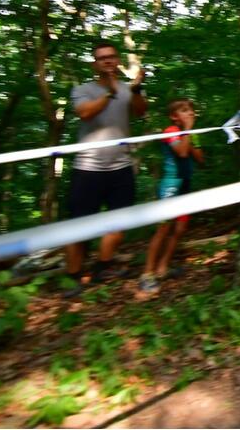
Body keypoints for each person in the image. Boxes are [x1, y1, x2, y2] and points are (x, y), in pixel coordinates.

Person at [64, 41, 147, 295]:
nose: (107, 61)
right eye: (102, 58)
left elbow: (141, 112)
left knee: (118, 224)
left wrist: (136, 89)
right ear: (94, 64)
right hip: (88, 167)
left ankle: (101, 268)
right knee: (79, 228)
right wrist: (109, 93)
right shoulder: (83, 89)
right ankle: (74, 277)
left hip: (121, 167)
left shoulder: (125, 89)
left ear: (118, 59)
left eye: (111, 57)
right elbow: (85, 114)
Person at [140, 98, 204, 294]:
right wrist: (187, 130)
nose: (190, 113)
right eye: (184, 110)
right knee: (163, 228)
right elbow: (182, 153)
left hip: (185, 184)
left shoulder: (190, 133)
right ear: (174, 117)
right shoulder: (170, 132)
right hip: (170, 184)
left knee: (181, 228)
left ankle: (162, 268)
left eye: (191, 110)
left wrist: (191, 135)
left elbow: (200, 159)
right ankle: (147, 273)